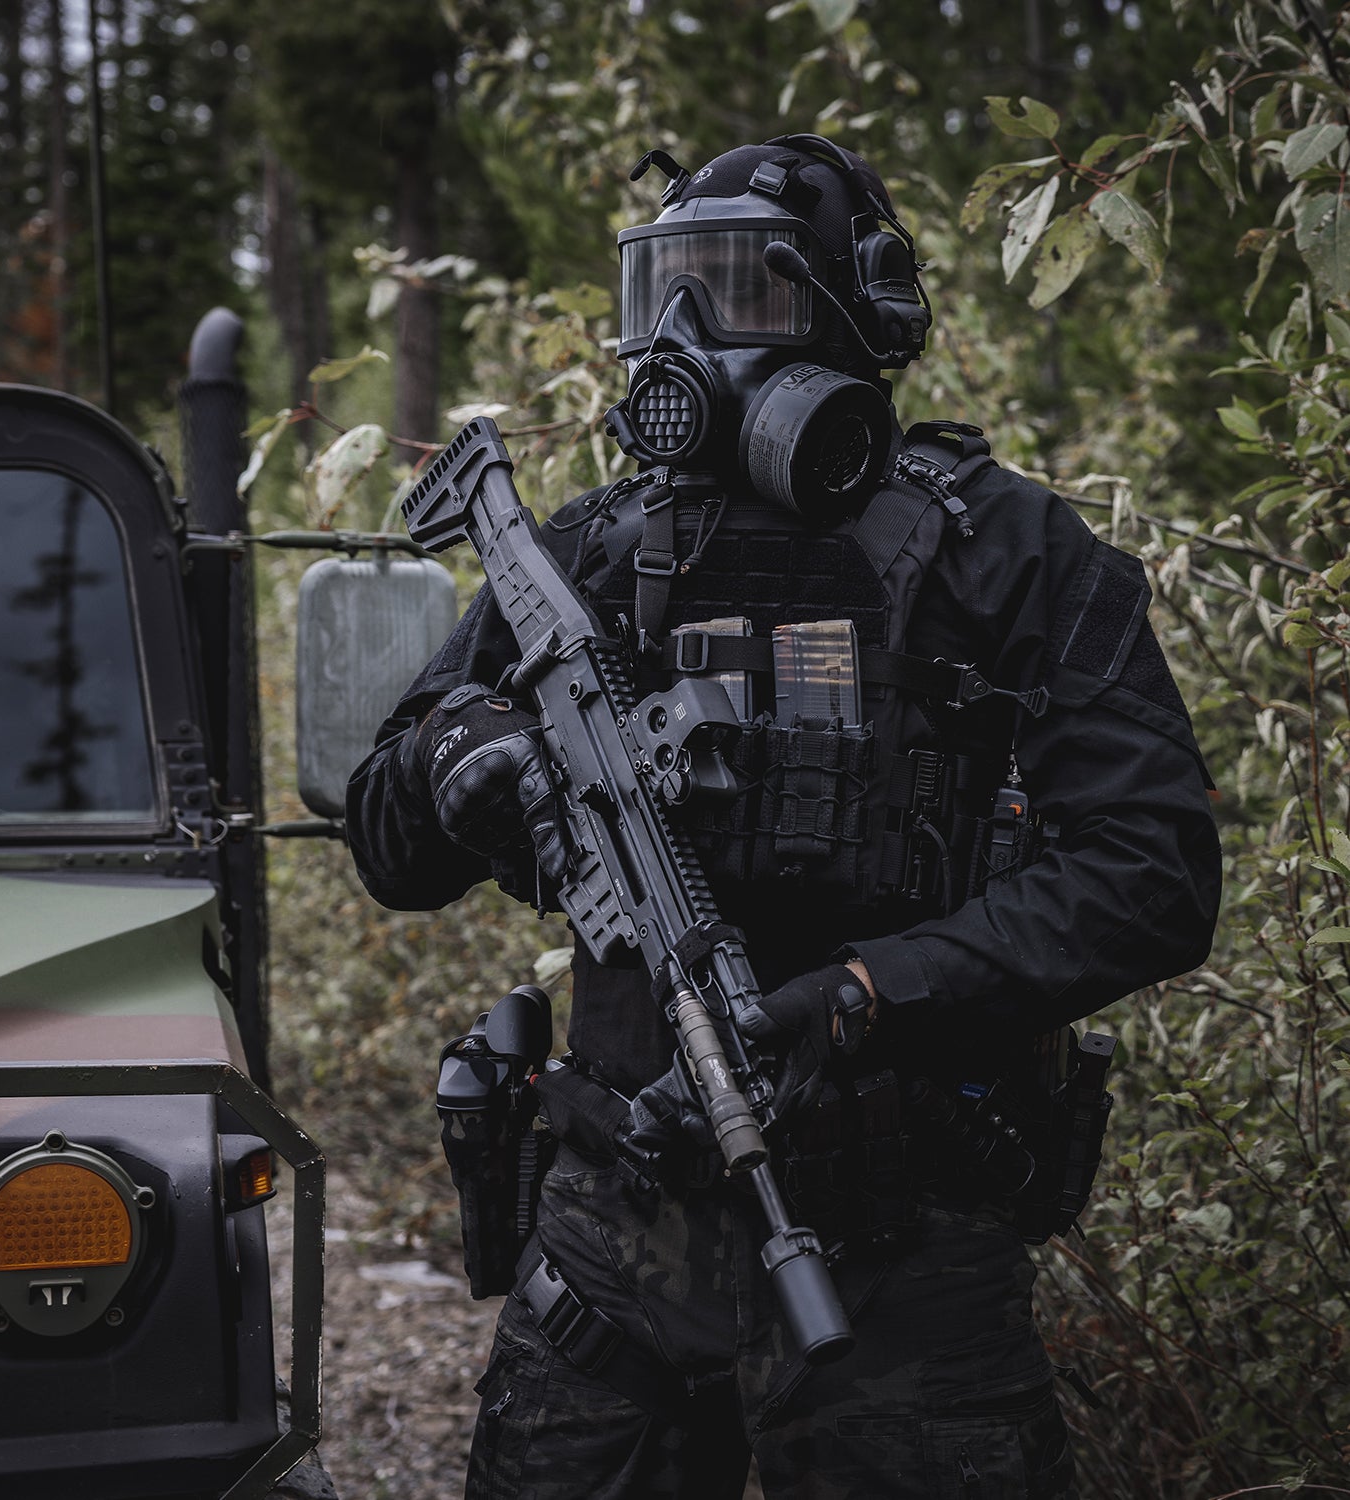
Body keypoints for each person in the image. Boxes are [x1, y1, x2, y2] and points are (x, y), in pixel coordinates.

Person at [344, 134, 1221, 1499]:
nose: (684, 335)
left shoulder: (1011, 556)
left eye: (739, 289)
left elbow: (1153, 874)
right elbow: (388, 846)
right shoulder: (581, 556)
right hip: (616, 1239)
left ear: (857, 310)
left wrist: (867, 996)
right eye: (661, 293)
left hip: (904, 1250)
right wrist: (460, 754)